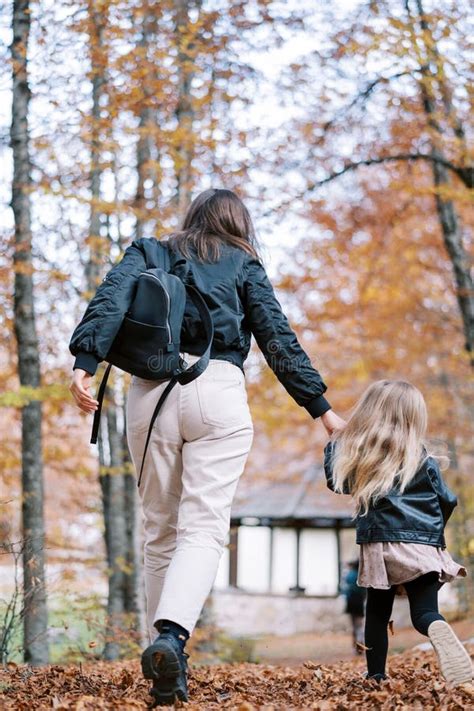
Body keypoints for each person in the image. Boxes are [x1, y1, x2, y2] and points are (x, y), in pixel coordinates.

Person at [68, 188, 345, 706]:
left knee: (159, 531)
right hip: (218, 391)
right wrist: (322, 409)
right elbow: (277, 338)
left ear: (192, 216)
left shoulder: (150, 249)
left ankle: (164, 665)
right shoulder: (243, 262)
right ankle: (171, 638)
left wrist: (85, 361)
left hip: (150, 395)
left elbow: (110, 298)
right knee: (204, 526)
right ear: (238, 223)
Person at [324, 380, 472, 686]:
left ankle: (376, 674)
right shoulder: (425, 460)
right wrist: (431, 536)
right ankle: (435, 626)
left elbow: (337, 483)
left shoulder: (365, 461)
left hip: (383, 547)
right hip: (426, 545)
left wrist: (335, 443)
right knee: (424, 611)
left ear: (369, 413)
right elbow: (448, 500)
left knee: (377, 612)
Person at [341, 560, 366, 654]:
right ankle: (360, 646)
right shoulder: (361, 575)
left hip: (351, 602)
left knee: (354, 626)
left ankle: (355, 646)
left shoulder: (349, 575)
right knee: (359, 625)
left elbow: (344, 587)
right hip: (359, 602)